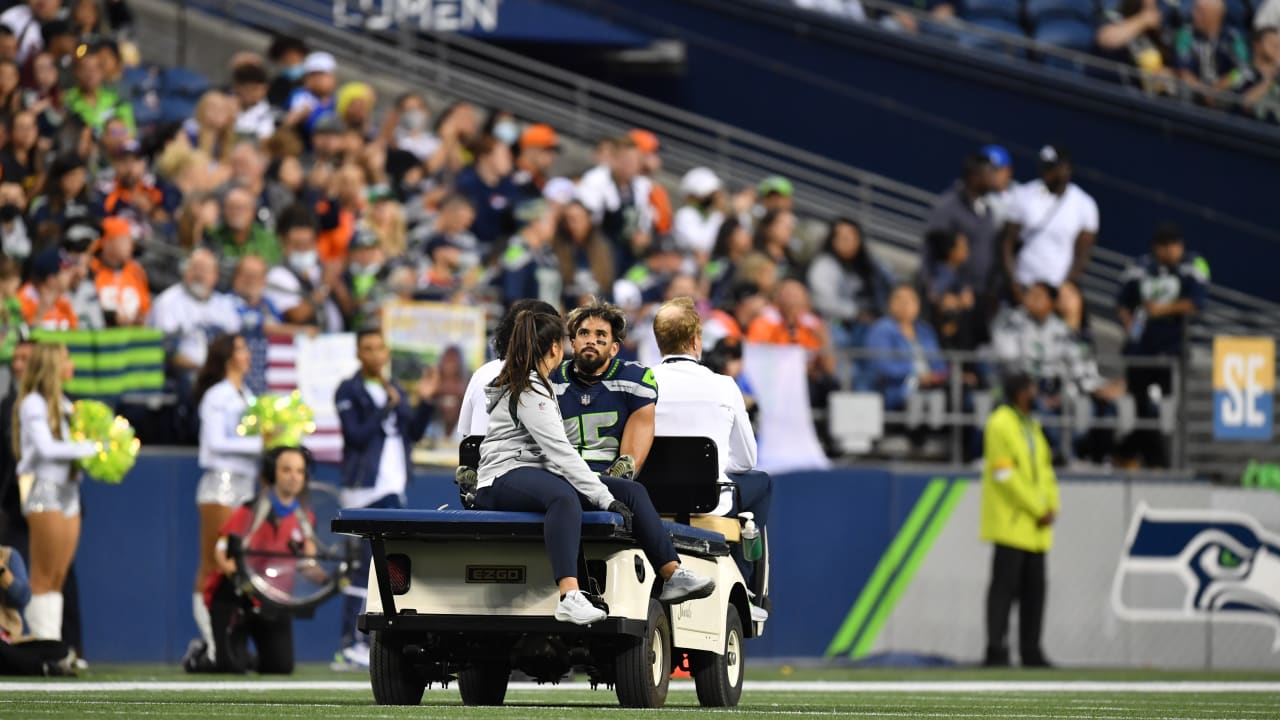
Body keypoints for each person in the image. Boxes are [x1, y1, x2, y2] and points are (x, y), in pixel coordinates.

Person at [476, 307, 714, 624]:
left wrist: (611, 493)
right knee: (563, 497)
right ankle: (570, 595)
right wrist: (603, 497)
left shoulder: (534, 382)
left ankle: (671, 573)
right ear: (556, 348)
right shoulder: (533, 389)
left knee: (631, 491)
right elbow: (562, 454)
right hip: (501, 478)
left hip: (533, 473)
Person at [651, 297, 771, 619]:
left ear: (659, 341)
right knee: (761, 482)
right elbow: (746, 460)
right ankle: (746, 583)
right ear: (695, 341)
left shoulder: (641, 381)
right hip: (711, 502)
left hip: (651, 502)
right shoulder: (725, 386)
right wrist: (713, 466)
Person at [333, 331, 437, 669]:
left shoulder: (393, 389)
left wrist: (425, 402)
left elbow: (414, 434)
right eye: (368, 348)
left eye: (379, 348)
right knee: (367, 566)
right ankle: (350, 644)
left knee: (385, 567)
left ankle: (365, 641)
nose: (375, 354)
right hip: (366, 488)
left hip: (394, 487)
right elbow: (356, 436)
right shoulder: (349, 390)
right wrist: (385, 408)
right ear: (359, 354)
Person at [183, 334, 263, 671]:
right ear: (227, 355)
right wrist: (261, 443)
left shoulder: (248, 394)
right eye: (242, 348)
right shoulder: (217, 395)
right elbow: (214, 443)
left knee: (238, 570)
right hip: (221, 485)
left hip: (246, 487)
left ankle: (225, 643)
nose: (247, 354)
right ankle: (214, 644)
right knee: (213, 565)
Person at [204, 446, 318, 674]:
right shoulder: (249, 510)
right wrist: (243, 580)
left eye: (299, 471)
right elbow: (221, 553)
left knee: (280, 667)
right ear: (272, 472)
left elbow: (307, 564)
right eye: (286, 470)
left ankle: (246, 656)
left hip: (273, 600)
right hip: (237, 597)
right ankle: (205, 656)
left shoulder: (306, 518)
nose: (294, 477)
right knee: (228, 668)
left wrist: (331, 578)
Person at [14, 342, 96, 641]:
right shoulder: (33, 403)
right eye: (66, 359)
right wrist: (87, 448)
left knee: (60, 574)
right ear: (52, 365)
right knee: (43, 573)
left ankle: (54, 642)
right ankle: (43, 642)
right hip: (43, 490)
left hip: (69, 490)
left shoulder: (65, 403)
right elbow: (46, 449)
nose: (71, 364)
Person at [981, 372, 1059, 668]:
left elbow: (1045, 471)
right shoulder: (1000, 422)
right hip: (1012, 523)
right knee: (1003, 590)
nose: (1035, 394)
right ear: (1019, 392)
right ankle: (996, 649)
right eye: (1031, 389)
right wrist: (1038, 507)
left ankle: (1031, 649)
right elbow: (1004, 474)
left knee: (1034, 592)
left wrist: (1052, 504)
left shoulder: (1032, 426)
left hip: (1036, 528)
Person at [1116, 223, 1207, 468]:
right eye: (1166, 245)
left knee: (1166, 412)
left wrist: (1161, 310)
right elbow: (1123, 303)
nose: (1172, 251)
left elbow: (1197, 302)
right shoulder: (1139, 267)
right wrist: (1130, 326)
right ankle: (1145, 459)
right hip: (1141, 352)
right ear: (1157, 247)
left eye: (1176, 245)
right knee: (1139, 410)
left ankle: (1145, 458)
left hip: (1171, 352)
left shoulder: (1192, 265)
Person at [550, 301, 657, 480]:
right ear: (573, 343)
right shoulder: (549, 380)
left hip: (609, 483)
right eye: (584, 333)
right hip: (558, 481)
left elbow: (628, 467)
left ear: (614, 348)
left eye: (600, 334)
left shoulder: (634, 380)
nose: (591, 340)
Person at [1000, 145, 1099, 303]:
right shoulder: (1023, 194)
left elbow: (1083, 254)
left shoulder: (1085, 204)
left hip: (1056, 289)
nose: (1046, 172)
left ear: (1067, 169)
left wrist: (1064, 288)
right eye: (1044, 167)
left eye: (1051, 167)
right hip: (1022, 283)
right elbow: (1007, 243)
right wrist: (1013, 283)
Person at [806, 218, 895, 348]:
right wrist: (856, 312)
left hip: (870, 323)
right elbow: (823, 303)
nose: (847, 242)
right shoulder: (824, 265)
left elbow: (891, 284)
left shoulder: (870, 265)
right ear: (832, 240)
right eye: (842, 237)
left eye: (852, 237)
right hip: (835, 324)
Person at [862, 284, 947, 411]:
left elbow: (939, 363)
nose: (905, 304)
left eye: (910, 300)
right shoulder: (881, 330)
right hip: (897, 388)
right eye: (899, 299)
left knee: (958, 392)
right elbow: (882, 366)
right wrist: (917, 375)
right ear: (890, 304)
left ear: (918, 305)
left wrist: (936, 375)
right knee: (924, 400)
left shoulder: (925, 331)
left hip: (930, 386)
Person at [1174, 0, 1249, 106]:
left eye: (1200, 11)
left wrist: (1219, 88)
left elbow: (1242, 70)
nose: (1193, 14)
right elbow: (1184, 71)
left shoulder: (1234, 38)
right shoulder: (1186, 34)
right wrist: (1205, 91)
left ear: (1214, 16)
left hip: (1224, 98)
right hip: (1194, 95)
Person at [89, 216, 149, 327]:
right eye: (124, 240)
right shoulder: (91, 271)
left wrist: (140, 317)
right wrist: (111, 318)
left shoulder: (136, 270)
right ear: (108, 243)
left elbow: (145, 308)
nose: (131, 245)